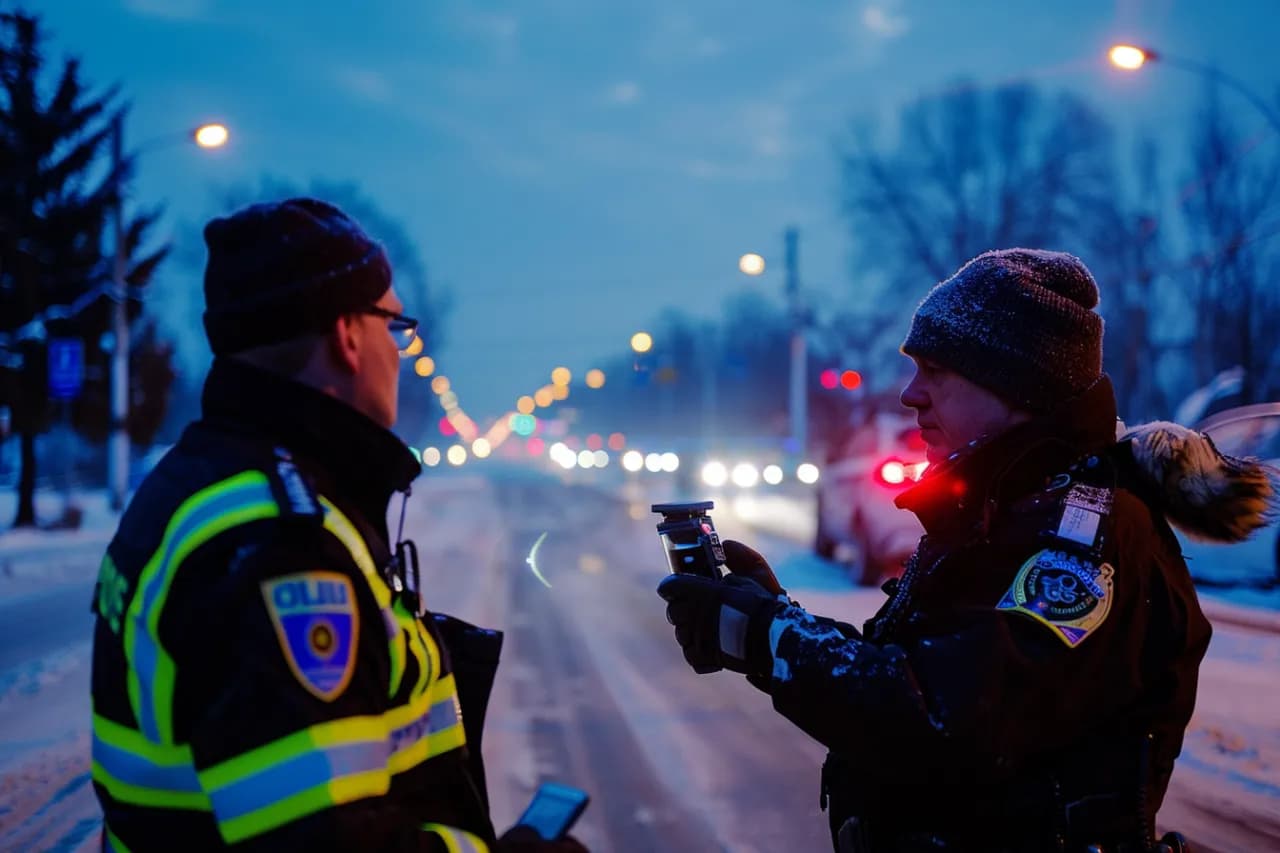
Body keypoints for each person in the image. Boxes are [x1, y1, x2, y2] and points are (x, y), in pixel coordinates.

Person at [657, 249, 1279, 852]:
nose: (910, 395)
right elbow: (924, 668)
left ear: (1017, 385)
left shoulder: (1083, 541)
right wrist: (776, 611)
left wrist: (764, 634)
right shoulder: (1005, 509)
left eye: (936, 370)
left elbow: (946, 721)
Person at [90, 198, 587, 852]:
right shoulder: (279, 539)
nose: (401, 352)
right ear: (349, 335)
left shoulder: (202, 481)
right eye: (395, 326)